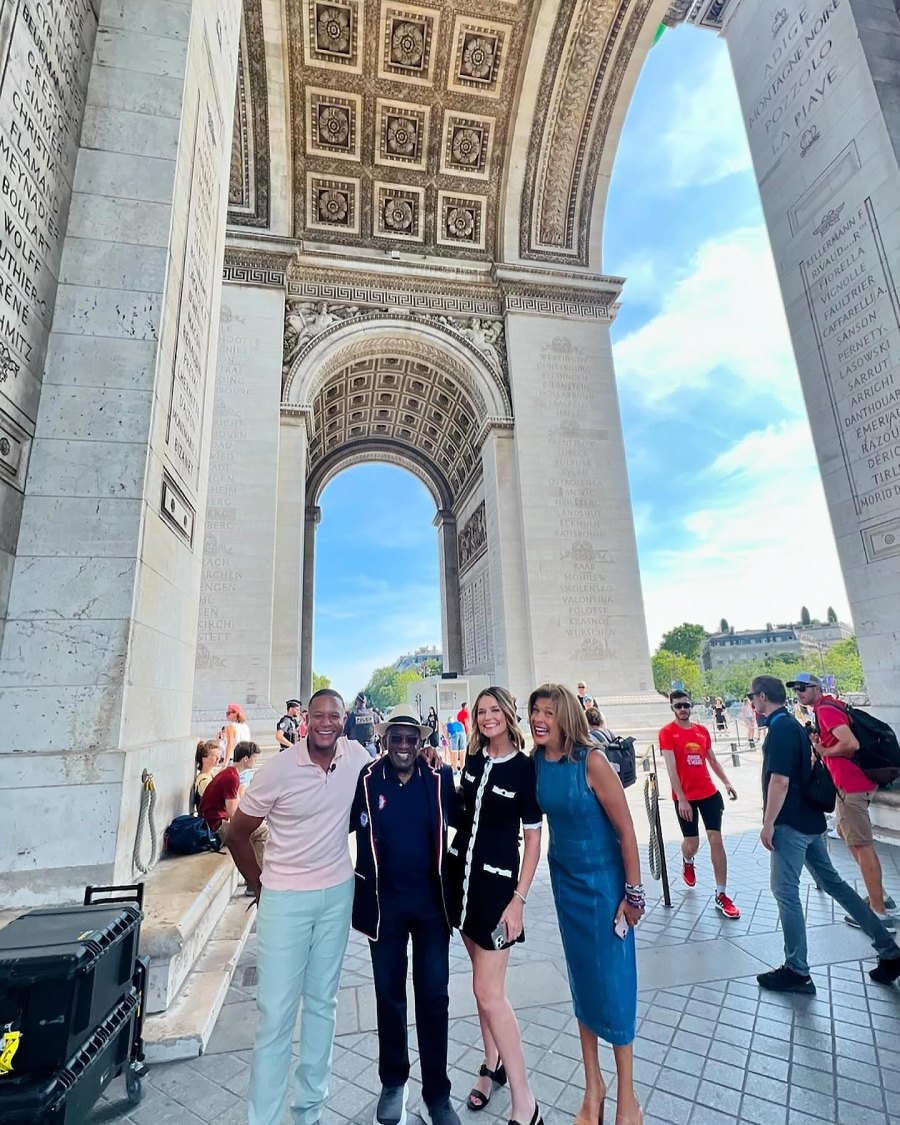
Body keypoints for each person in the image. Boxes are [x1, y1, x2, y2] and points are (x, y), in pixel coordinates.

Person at [223, 690, 371, 1125]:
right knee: (276, 1013)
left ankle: (310, 1111)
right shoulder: (279, 770)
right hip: (284, 899)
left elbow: (395, 766)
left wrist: (432, 758)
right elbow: (237, 833)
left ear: (344, 720)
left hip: (337, 895)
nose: (327, 723)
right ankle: (263, 1119)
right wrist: (261, 885)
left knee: (323, 1005)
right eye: (318, 716)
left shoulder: (357, 756)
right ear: (305, 720)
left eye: (334, 716)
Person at [531, 684, 644, 1125]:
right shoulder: (538, 761)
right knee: (582, 984)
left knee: (614, 986)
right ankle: (593, 1086)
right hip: (566, 884)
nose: (539, 719)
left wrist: (634, 894)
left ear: (567, 717)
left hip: (604, 886)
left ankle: (628, 1098)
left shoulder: (593, 761)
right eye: (535, 711)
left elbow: (628, 830)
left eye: (548, 712)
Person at [750, 674, 900, 992]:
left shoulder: (779, 729)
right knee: (836, 885)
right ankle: (888, 949)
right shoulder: (794, 725)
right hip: (811, 821)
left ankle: (797, 969)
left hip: (790, 824)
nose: (752, 703)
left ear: (762, 697)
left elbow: (780, 780)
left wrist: (767, 823)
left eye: (753, 697)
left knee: (785, 893)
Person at [350, 705, 460, 1125]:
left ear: (422, 742)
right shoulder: (365, 781)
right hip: (385, 908)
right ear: (384, 740)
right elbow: (327, 821)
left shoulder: (439, 779)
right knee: (389, 997)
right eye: (396, 737)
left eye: (411, 738)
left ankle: (437, 1093)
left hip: (433, 908)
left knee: (434, 999)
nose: (403, 745)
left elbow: (473, 819)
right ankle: (393, 1080)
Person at [447, 688, 543, 1125]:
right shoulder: (473, 760)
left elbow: (533, 839)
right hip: (462, 888)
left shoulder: (525, 770)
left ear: (507, 714)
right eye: (481, 712)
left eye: (494, 711)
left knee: (490, 992)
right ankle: (492, 1067)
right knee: (479, 988)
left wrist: (519, 901)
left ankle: (527, 1102)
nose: (488, 718)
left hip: (498, 894)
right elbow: (463, 815)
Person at [787, 672, 896, 928]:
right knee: (848, 835)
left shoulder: (825, 709)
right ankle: (880, 895)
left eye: (803, 688)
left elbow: (851, 743)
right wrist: (822, 743)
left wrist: (825, 750)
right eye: (796, 689)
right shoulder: (831, 706)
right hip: (851, 786)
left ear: (816, 688)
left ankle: (878, 913)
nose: (799, 693)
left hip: (851, 787)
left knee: (863, 845)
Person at [658, 691, 740, 919]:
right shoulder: (667, 733)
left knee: (716, 838)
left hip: (708, 793)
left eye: (685, 705)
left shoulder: (701, 731)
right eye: (678, 706)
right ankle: (687, 860)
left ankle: (721, 894)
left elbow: (711, 759)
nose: (682, 709)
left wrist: (726, 782)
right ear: (672, 708)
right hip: (685, 797)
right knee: (691, 843)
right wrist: (681, 797)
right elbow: (671, 768)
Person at [200, 741, 267, 869]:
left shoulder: (230, 773)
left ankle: (254, 879)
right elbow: (233, 814)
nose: (255, 761)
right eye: (254, 758)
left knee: (259, 828)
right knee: (262, 832)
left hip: (213, 821)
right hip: (215, 825)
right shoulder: (232, 778)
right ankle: (258, 881)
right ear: (246, 759)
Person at [344, 691, 377, 756]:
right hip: (370, 748)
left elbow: (345, 732)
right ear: (366, 702)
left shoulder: (352, 715)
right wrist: (383, 750)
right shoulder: (373, 714)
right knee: (372, 766)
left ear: (356, 701)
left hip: (356, 749)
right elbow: (381, 731)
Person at [193, 739, 219, 810]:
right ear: (204, 758)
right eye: (214, 756)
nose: (218, 758)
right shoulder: (203, 780)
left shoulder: (210, 775)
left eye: (218, 756)